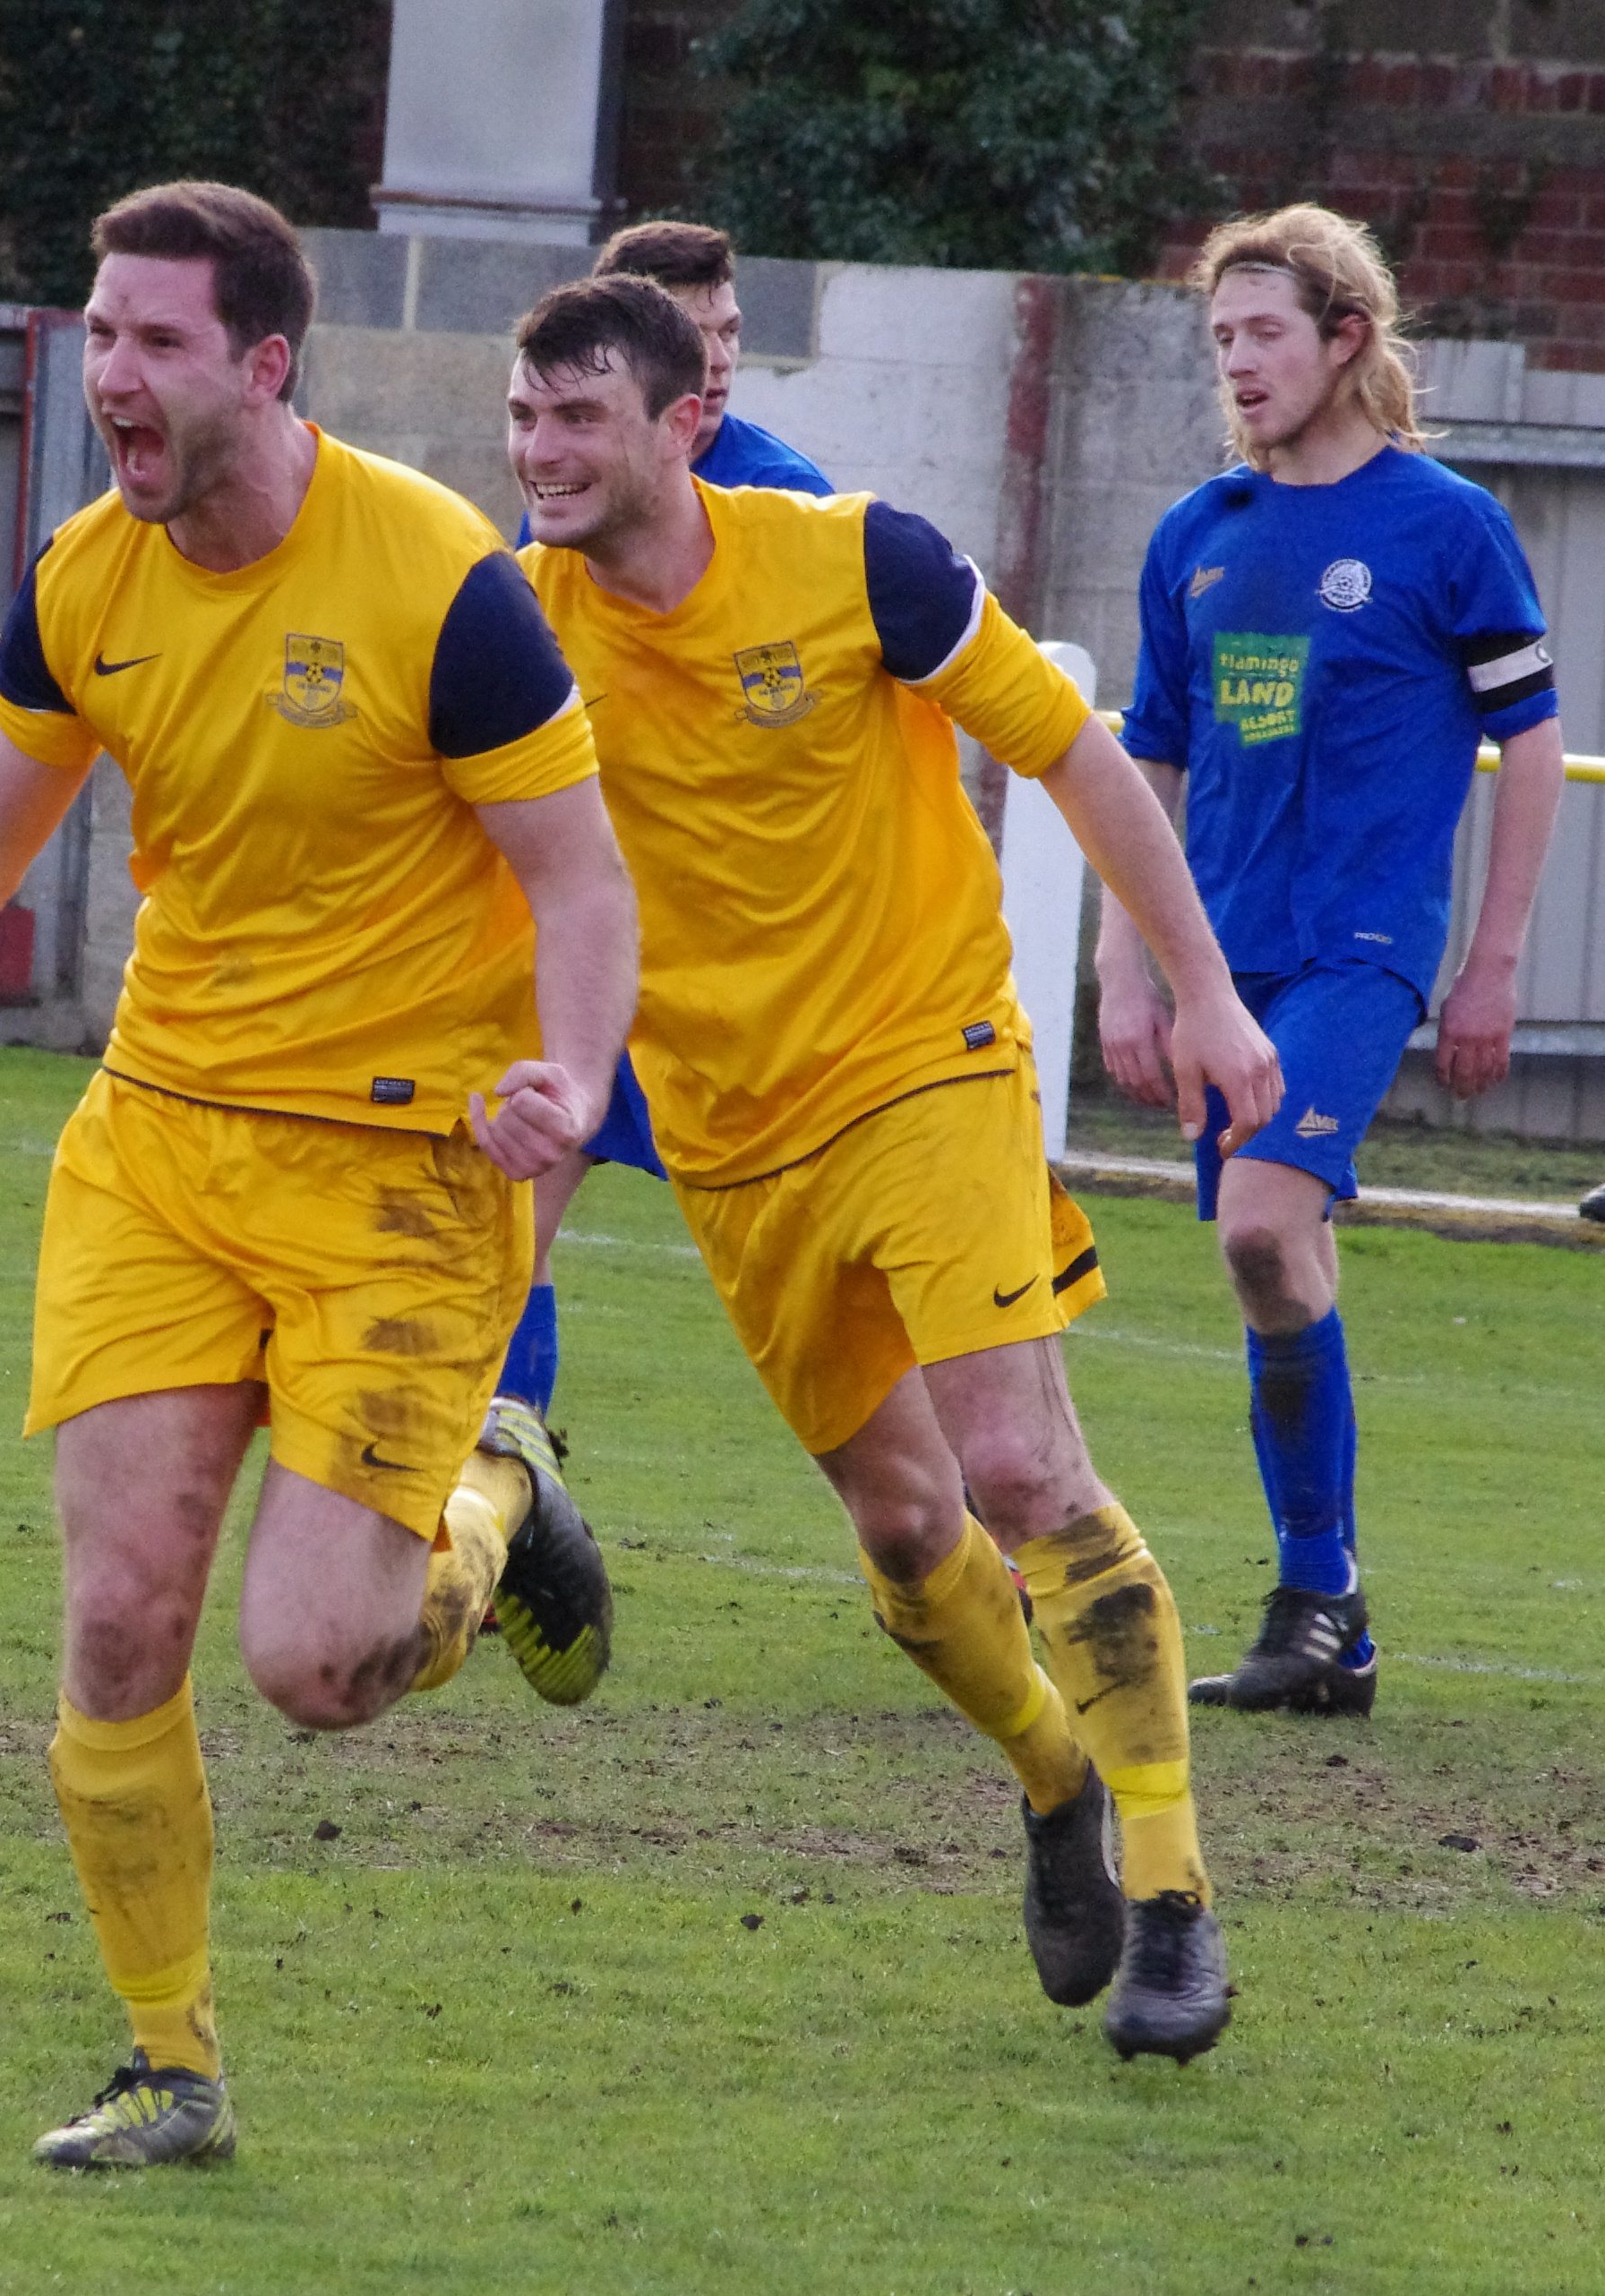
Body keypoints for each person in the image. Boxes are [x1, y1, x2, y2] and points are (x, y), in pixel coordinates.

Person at [0, 183, 637, 2167]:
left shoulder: (442, 586)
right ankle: (169, 2062)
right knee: (115, 1624)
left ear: (262, 368)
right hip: (160, 1152)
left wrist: (571, 1080)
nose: (112, 374)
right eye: (99, 333)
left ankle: (491, 1499)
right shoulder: (87, 575)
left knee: (316, 1666)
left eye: (155, 342)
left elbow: (578, 876)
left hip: (393, 1178)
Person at [507, 273, 1283, 2061]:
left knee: (1015, 1461)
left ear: (684, 420)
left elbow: (1076, 755)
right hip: (729, 1135)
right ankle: (1046, 1776)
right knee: (901, 1525)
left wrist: (1200, 990)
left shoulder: (861, 561)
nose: (539, 454)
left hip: (928, 1061)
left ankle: (1171, 1895)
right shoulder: (511, 626)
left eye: (576, 420)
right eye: (522, 421)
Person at [1103, 207, 1566, 1718]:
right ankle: (1330, 1622)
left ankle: (1314, 1586)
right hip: (1217, 969)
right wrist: (1126, 969)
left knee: (1255, 1225)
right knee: (1275, 1259)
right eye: (1219, 338)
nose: (1235, 363)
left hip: (1360, 953)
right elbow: (1144, 769)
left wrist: (1489, 961)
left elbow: (1532, 740)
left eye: (1263, 335)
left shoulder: (1442, 524)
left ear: (1345, 340)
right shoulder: (1195, 536)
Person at [498, 219, 832, 1421]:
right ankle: (506, 1493)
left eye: (732, 330)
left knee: (847, 1281)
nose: (720, 355)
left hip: (740, 973)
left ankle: (976, 1530)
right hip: (596, 945)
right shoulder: (558, 496)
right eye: (695, 333)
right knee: (502, 1220)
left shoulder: (791, 509)